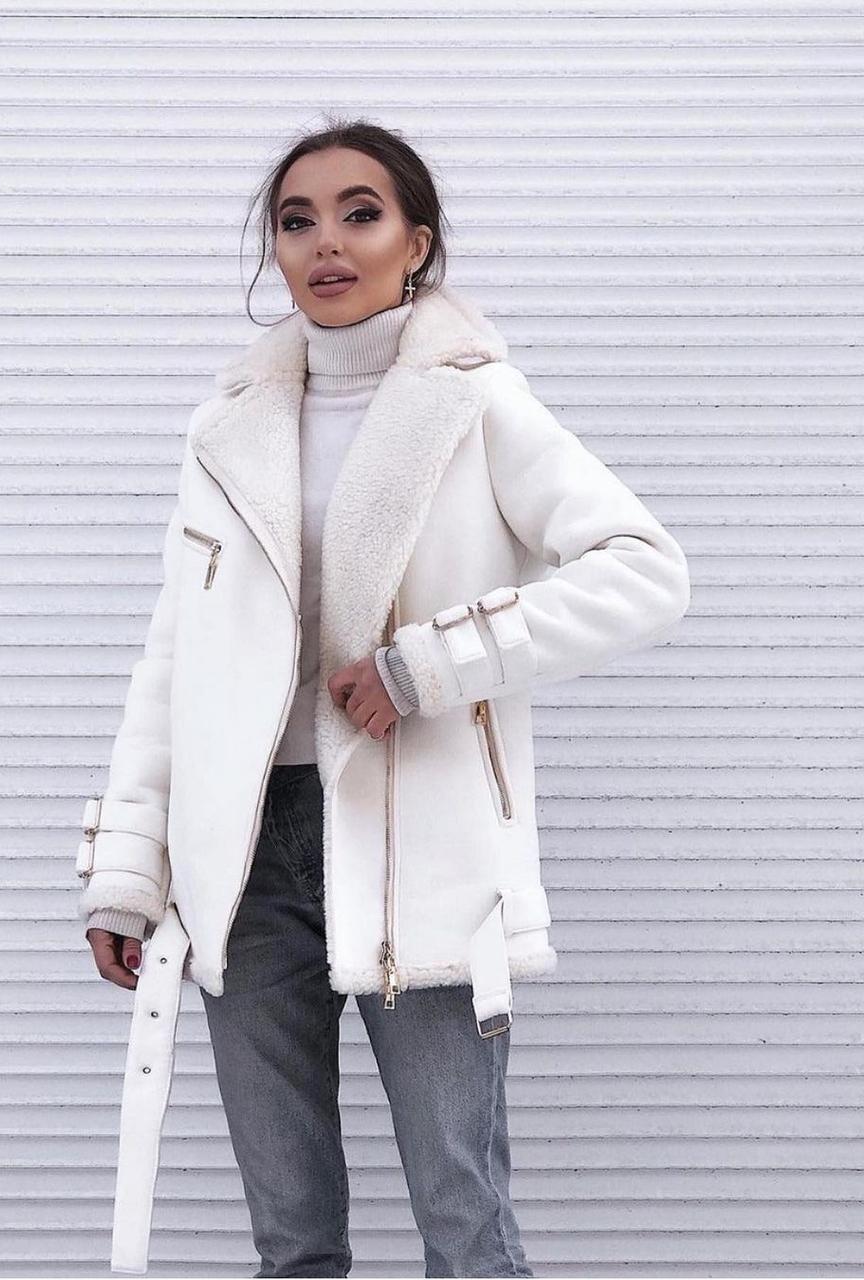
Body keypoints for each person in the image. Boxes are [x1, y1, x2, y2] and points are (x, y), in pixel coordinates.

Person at [77, 117, 691, 1278]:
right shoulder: (225, 430)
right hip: (243, 855)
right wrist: (128, 863)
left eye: (360, 213)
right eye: (296, 219)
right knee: (291, 1237)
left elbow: (644, 569)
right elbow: (175, 659)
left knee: (463, 1219)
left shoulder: (476, 404)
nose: (326, 241)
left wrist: (430, 665)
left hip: (426, 849)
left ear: (416, 243)